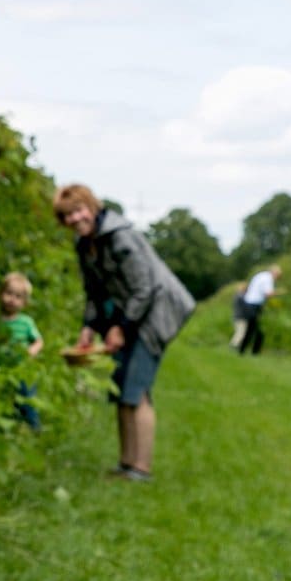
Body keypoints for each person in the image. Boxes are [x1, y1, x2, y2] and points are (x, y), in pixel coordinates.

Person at [53, 185, 195, 482]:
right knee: (120, 387)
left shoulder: (120, 237)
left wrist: (122, 328)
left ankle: (141, 469)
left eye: (79, 210)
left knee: (135, 388)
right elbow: (94, 292)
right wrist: (88, 328)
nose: (75, 219)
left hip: (155, 312)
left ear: (91, 207)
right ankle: (126, 464)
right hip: (132, 314)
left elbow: (144, 288)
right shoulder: (85, 244)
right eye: (67, 215)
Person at [0, 272, 45, 431]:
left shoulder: (26, 322)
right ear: (1, 294)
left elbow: (39, 341)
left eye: (18, 297)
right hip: (2, 367)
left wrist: (32, 350)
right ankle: (8, 427)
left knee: (27, 398)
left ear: (24, 303)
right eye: (9, 293)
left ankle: (34, 428)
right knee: (5, 398)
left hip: (23, 369)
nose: (12, 299)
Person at [238, 265, 281, 355]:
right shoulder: (268, 278)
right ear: (274, 273)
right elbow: (268, 294)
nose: (278, 278)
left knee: (251, 329)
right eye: (278, 276)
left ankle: (243, 350)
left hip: (250, 304)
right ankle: (253, 351)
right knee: (255, 330)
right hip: (253, 305)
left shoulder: (261, 275)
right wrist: (279, 292)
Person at [228, 281, 250, 349]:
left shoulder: (236, 296)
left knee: (239, 332)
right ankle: (233, 346)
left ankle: (235, 346)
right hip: (241, 317)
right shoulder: (241, 296)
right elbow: (246, 305)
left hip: (237, 316)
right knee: (241, 333)